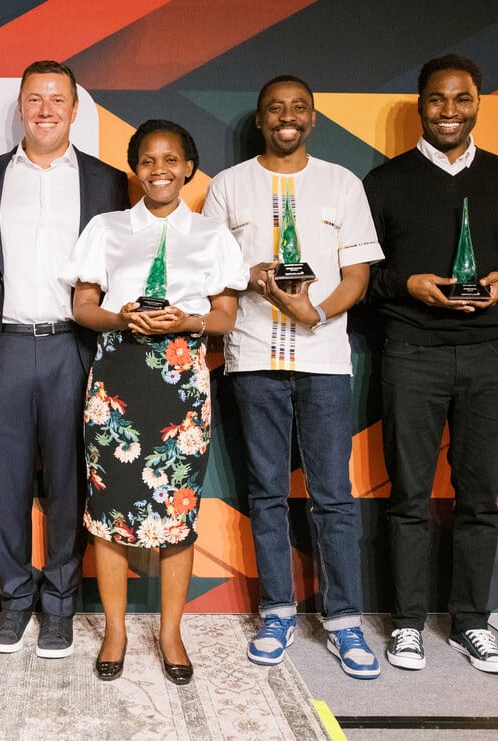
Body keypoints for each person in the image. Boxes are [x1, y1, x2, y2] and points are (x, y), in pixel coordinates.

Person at [364, 54, 498, 674]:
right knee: (410, 498)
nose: (449, 111)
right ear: (420, 104)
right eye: (438, 100)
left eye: (462, 99)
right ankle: (409, 626)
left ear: (478, 102)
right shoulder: (385, 181)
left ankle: (473, 622)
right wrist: (407, 285)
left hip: (488, 358)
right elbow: (361, 277)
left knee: (480, 498)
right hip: (410, 355)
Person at [203, 76, 385, 680]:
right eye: (275, 109)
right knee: (266, 491)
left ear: (314, 117)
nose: (288, 117)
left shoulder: (342, 183)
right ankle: (277, 609)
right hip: (252, 357)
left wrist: (316, 311)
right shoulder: (228, 187)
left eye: (299, 108)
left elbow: (357, 275)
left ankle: (342, 619)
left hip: (323, 358)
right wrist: (248, 274)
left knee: (333, 492)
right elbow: (208, 270)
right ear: (259, 119)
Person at [61, 120, 244, 684]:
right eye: (146, 160)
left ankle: (170, 632)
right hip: (115, 380)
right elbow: (82, 306)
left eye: (171, 159)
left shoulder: (212, 234)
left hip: (181, 383)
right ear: (134, 169)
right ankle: (115, 631)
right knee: (111, 511)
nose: (158, 169)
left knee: (176, 510)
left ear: (189, 167)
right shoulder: (107, 227)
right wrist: (123, 316)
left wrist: (186, 320)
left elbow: (225, 317)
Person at [0, 60, 129, 658]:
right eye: (35, 98)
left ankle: (59, 604)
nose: (46, 109)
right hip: (1, 345)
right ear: (21, 106)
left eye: (58, 99)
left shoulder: (109, 182)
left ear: (75, 109)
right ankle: (13, 603)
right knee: (3, 484)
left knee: (68, 482)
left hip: (73, 349)